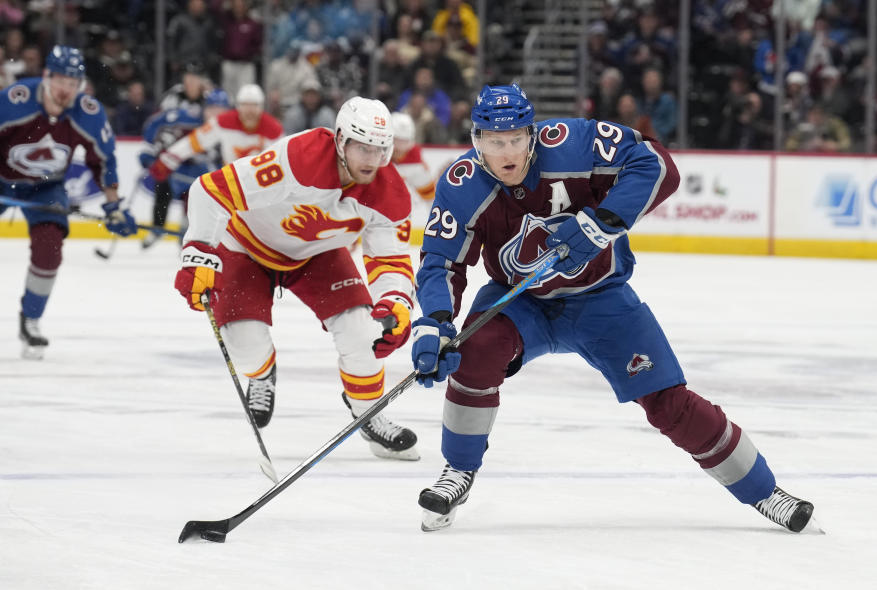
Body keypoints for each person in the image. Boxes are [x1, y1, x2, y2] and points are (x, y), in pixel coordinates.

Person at [410, 83, 815, 532]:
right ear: (476, 141)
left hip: (601, 297)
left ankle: (765, 492)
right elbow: (441, 261)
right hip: (521, 301)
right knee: (475, 351)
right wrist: (435, 321)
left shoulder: (574, 143)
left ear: (533, 134)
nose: (506, 153)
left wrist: (604, 223)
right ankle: (459, 471)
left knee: (668, 401)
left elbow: (658, 164)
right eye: (493, 142)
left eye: (515, 140)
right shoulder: (461, 183)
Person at [173, 97, 420, 461]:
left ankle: (369, 412)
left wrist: (396, 302)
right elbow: (210, 190)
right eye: (363, 148)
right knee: (245, 343)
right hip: (246, 247)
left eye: (379, 150)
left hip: (317, 255)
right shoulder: (297, 158)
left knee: (363, 332)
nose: (371, 160)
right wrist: (198, 253)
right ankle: (262, 374)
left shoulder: (389, 194)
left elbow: (390, 259)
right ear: (340, 140)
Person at [0, 45, 137, 359]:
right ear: (47, 76)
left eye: (73, 84)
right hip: (1, 179)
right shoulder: (15, 99)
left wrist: (113, 205)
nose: (66, 90)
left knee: (50, 250)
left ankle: (31, 320)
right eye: (61, 81)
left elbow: (103, 161)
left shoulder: (87, 112)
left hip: (45, 187)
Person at [139, 88, 232, 247]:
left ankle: (189, 230)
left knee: (199, 198)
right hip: (184, 173)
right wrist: (157, 153)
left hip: (209, 177)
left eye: (220, 109)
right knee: (164, 188)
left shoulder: (231, 130)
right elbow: (168, 133)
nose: (216, 114)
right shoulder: (191, 122)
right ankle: (157, 227)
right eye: (212, 109)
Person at [148, 84, 283, 188]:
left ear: (261, 107)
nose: (249, 111)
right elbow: (195, 141)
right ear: (238, 106)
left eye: (254, 106)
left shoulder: (274, 129)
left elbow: (282, 161)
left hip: (262, 186)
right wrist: (168, 160)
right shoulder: (223, 122)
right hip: (231, 183)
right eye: (245, 105)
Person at [390, 112, 435, 226]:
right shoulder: (376, 154)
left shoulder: (415, 160)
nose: (400, 148)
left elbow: (431, 198)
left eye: (405, 141)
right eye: (397, 141)